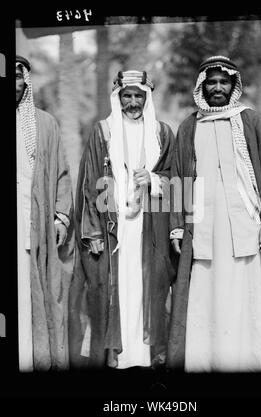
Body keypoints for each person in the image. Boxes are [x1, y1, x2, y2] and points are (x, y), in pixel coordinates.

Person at [167, 56, 261, 372]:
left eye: (224, 82)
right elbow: (177, 179)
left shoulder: (251, 120)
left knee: (246, 299)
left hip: (245, 229)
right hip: (203, 232)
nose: (217, 88)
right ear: (202, 85)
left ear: (233, 85)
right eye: (212, 82)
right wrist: (176, 227)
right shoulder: (189, 126)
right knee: (205, 299)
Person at [69, 70, 175, 369]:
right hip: (113, 226)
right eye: (126, 95)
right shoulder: (103, 131)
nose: (132, 101)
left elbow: (178, 180)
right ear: (118, 97)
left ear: (146, 97)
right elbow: (90, 183)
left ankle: (145, 356)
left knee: (146, 287)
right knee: (114, 286)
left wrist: (153, 179)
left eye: (138, 95)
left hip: (151, 225)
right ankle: (117, 356)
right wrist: (92, 230)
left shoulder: (162, 133)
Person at [16, 55, 74, 371]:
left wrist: (61, 216)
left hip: (34, 226)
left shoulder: (45, 123)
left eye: (16, 76)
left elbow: (62, 174)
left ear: (26, 80)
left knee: (33, 297)